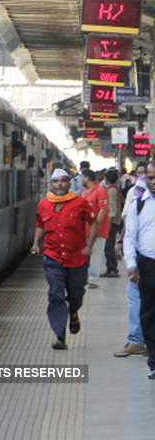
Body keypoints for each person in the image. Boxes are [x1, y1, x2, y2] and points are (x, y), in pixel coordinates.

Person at [31, 169, 97, 350]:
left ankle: (74, 311)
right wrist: (36, 243)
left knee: (76, 294)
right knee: (55, 294)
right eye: (55, 181)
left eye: (63, 181)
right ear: (50, 184)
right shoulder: (43, 204)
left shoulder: (80, 203)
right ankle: (60, 336)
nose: (59, 184)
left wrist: (89, 246)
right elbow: (39, 225)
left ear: (69, 184)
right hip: (53, 258)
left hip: (77, 258)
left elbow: (93, 222)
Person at [123, 161, 155, 379]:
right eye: (151, 178)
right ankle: (154, 361)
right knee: (150, 314)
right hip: (148, 263)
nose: (153, 182)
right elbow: (129, 236)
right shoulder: (138, 202)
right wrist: (131, 264)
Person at [114, 167, 148, 358]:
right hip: (142, 253)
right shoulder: (138, 191)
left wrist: (122, 243)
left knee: (136, 297)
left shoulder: (137, 190)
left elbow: (128, 220)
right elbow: (129, 221)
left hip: (143, 254)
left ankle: (137, 341)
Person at [81, 169, 108, 288]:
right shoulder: (85, 191)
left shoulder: (100, 191)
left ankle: (93, 280)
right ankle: (86, 277)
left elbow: (103, 209)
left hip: (98, 230)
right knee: (86, 252)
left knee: (96, 252)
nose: (81, 179)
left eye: (82, 177)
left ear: (87, 178)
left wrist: (96, 225)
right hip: (85, 228)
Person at [101, 169, 122, 277]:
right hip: (113, 222)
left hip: (112, 223)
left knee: (108, 247)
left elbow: (112, 211)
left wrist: (107, 226)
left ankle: (112, 269)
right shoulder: (113, 189)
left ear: (106, 178)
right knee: (108, 246)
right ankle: (110, 268)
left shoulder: (111, 190)